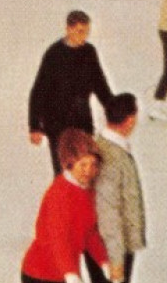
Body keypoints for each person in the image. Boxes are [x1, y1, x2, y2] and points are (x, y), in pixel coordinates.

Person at [19, 129, 111, 283]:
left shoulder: (87, 191)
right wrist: (71, 276)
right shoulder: (60, 194)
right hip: (41, 277)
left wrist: (104, 262)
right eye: (83, 165)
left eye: (93, 165)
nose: (89, 171)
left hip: (66, 276)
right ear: (69, 163)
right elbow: (58, 241)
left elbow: (89, 233)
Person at [88, 94, 146, 283]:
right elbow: (108, 211)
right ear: (131, 120)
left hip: (111, 245)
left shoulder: (107, 146)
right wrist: (115, 258)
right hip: (112, 248)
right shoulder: (111, 156)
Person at [27, 10, 115, 174]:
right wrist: (34, 126)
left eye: (87, 32)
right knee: (64, 171)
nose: (84, 37)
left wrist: (114, 111)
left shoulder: (89, 52)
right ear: (68, 29)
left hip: (82, 121)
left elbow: (100, 84)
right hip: (57, 124)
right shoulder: (54, 54)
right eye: (80, 31)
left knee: (87, 168)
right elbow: (38, 90)